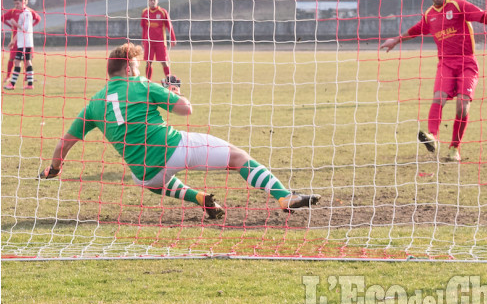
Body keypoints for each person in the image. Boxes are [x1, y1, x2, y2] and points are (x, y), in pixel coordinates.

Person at [39, 42, 321, 218]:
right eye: (135, 66)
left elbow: (65, 143)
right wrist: (173, 93)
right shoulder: (142, 85)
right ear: (127, 69)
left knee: (151, 183)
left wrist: (54, 169)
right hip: (172, 148)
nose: (137, 70)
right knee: (238, 158)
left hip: (144, 172)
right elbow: (186, 110)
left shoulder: (93, 105)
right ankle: (284, 196)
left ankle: (200, 198)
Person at [381, 0, 487, 162]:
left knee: (462, 106)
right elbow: (415, 30)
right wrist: (396, 40)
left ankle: (454, 148)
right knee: (438, 97)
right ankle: (432, 135)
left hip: (467, 63)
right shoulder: (429, 14)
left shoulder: (458, 6)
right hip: (446, 64)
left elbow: (482, 16)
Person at [2, 0, 41, 87]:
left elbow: (25, 28)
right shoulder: (20, 13)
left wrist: (15, 24)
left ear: (24, 2)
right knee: (25, 61)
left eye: (17, 3)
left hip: (25, 43)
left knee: (18, 61)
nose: (16, 6)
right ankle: (30, 84)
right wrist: (13, 40)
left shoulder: (27, 13)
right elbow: (20, 30)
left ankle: (12, 84)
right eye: (15, 4)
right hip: (21, 41)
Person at [140, 0, 176, 82]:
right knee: (148, 62)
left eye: (154, 0)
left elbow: (169, 26)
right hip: (149, 42)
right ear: (148, 1)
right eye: (150, 0)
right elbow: (144, 28)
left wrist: (173, 38)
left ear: (157, 1)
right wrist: (143, 40)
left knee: (164, 61)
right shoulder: (145, 12)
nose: (152, 2)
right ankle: (148, 81)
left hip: (160, 42)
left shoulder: (162, 12)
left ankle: (169, 80)